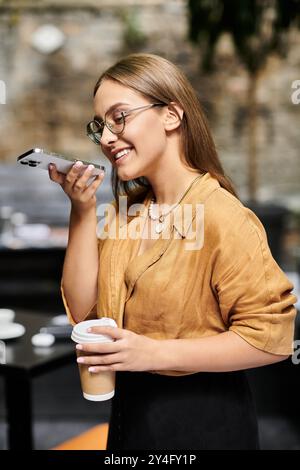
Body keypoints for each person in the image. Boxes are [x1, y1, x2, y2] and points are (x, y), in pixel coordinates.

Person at [48, 53, 297, 450]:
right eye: (100, 126)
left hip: (204, 423)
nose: (107, 138)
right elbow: (84, 313)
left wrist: (153, 352)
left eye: (120, 117)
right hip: (131, 418)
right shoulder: (126, 214)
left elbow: (272, 340)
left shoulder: (223, 216)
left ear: (171, 115)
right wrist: (81, 210)